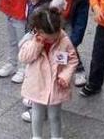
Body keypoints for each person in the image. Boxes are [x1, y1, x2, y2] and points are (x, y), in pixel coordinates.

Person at [19, 7, 79, 139]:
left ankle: (57, 137)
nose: (53, 40)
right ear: (40, 32)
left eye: (55, 36)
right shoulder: (31, 39)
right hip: (37, 83)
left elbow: (73, 59)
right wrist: (37, 45)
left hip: (56, 85)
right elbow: (24, 58)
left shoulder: (63, 39)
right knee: (37, 113)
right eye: (49, 38)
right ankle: (36, 136)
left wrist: (65, 75)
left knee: (55, 115)